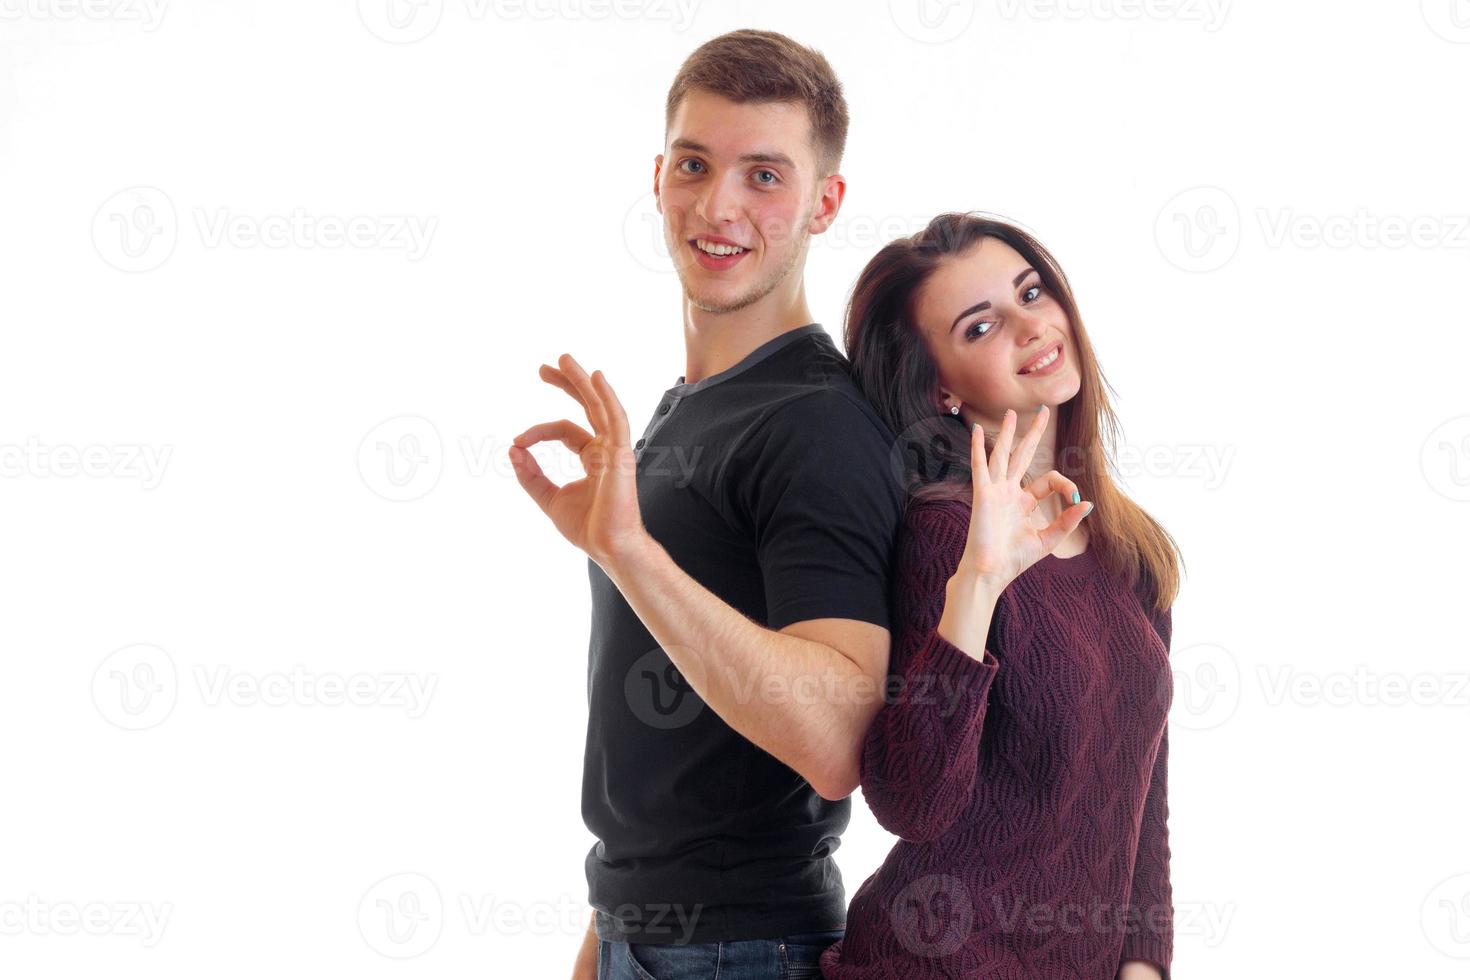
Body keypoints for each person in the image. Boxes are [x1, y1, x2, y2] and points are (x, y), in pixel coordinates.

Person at [507, 30, 904, 980]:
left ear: (825, 202)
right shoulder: (692, 406)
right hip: (641, 937)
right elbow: (673, 777)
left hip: (742, 952)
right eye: (696, 163)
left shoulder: (820, 422)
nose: (718, 205)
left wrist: (631, 554)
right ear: (658, 176)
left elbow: (841, 735)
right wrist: (605, 940)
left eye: (764, 175)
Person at [820, 213, 1183, 980]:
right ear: (940, 386)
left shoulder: (1129, 550)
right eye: (981, 326)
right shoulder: (946, 538)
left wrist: (1145, 963)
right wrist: (978, 583)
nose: (1030, 326)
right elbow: (913, 804)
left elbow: (1140, 789)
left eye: (1031, 291)